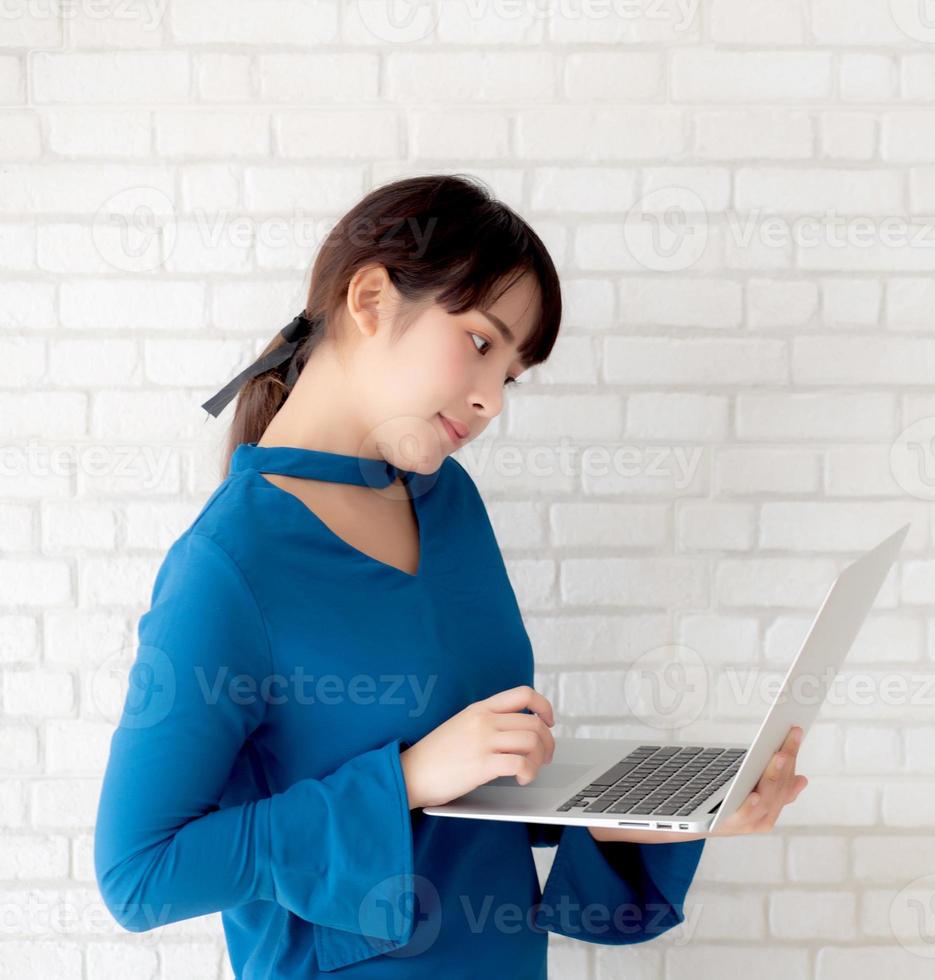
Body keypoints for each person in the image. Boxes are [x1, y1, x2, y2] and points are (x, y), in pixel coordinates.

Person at [93, 173, 809, 978]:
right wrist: (407, 777)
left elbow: (482, 791)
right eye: (479, 343)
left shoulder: (448, 504)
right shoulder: (228, 568)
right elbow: (140, 874)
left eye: (510, 373)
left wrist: (665, 811)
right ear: (370, 300)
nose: (492, 401)